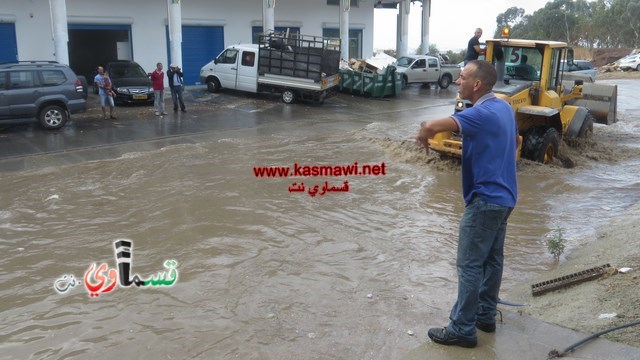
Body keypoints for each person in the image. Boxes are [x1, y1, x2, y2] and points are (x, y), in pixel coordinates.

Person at [416, 60, 519, 349]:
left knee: (469, 265)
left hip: (485, 200)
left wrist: (424, 132)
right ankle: (485, 316)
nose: (457, 81)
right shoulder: (503, 107)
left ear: (476, 84)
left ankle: (462, 328)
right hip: (506, 196)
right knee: (492, 260)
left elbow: (434, 125)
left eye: (462, 77)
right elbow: (514, 140)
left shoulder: (481, 113)